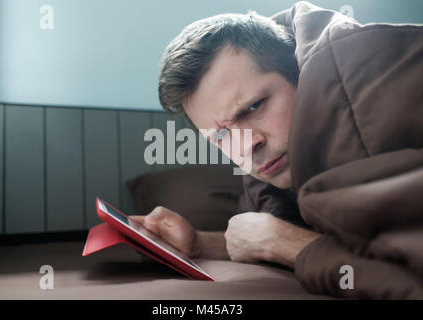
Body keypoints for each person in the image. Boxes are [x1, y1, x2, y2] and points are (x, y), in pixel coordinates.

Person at [131, 1, 423, 299]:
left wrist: (285, 244)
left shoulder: (376, 83)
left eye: (255, 106)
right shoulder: (264, 178)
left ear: (298, 71)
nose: (245, 146)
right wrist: (199, 245)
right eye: (220, 135)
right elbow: (269, 233)